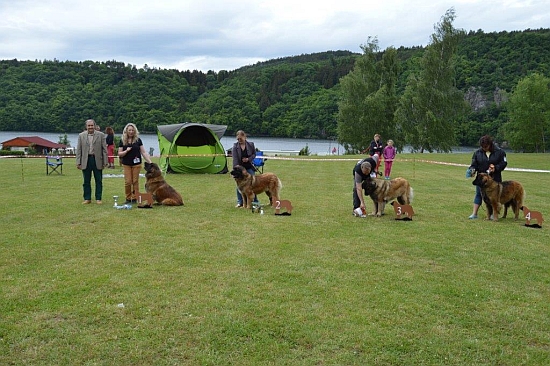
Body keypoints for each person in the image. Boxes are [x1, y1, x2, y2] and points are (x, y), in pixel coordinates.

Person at [467, 135, 507, 219]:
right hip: (481, 180)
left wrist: (495, 167)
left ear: (490, 144)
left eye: (486, 146)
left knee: (494, 198)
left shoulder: (500, 152)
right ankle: (474, 214)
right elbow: (474, 165)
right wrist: (472, 170)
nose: (484, 148)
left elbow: (504, 163)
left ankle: (494, 214)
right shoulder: (477, 153)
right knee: (479, 194)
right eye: (482, 147)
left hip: (495, 179)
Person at [118, 123, 152, 204]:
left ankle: (135, 197)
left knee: (135, 181)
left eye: (133, 130)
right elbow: (119, 154)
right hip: (126, 164)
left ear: (135, 131)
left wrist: (150, 162)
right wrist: (126, 151)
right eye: (129, 130)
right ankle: (128, 197)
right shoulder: (122, 140)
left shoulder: (138, 140)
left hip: (136, 164)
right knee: (128, 181)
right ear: (126, 131)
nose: (131, 132)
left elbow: (143, 152)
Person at [76, 119, 108, 204]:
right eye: (88, 126)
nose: (90, 127)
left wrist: (105, 161)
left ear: (94, 126)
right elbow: (79, 150)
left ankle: (98, 198)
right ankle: (87, 198)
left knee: (99, 180)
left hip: (97, 160)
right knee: (86, 181)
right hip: (85, 160)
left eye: (92, 125)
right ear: (86, 126)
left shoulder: (101, 135)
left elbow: (104, 150)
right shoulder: (81, 136)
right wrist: (78, 162)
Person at [232, 130, 258, 207]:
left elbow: (254, 154)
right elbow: (235, 158)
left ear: (244, 137)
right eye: (238, 139)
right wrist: (236, 168)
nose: (239, 140)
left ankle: (255, 201)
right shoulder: (235, 146)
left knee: (253, 184)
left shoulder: (251, 144)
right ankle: (240, 202)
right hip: (239, 168)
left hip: (249, 166)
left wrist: (248, 159)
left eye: (240, 138)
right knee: (239, 185)